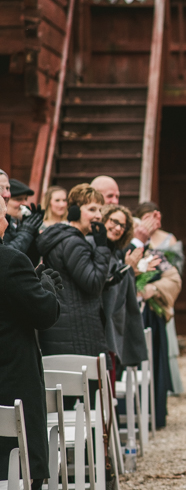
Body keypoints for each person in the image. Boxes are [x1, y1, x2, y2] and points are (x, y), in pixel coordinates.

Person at [0, 197, 62, 490]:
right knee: (18, 469)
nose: (8, 224)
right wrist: (45, 288)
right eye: (4, 217)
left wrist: (29, 284)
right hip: (11, 382)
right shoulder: (10, 260)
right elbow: (44, 314)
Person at [36, 184, 112, 358]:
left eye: (100, 210)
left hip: (66, 326)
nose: (98, 216)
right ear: (75, 211)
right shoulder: (73, 243)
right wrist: (102, 248)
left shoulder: (66, 238)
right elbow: (93, 284)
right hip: (76, 331)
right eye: (92, 209)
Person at [133, 201, 185, 396]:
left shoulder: (168, 240)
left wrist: (156, 288)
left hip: (160, 295)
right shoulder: (136, 240)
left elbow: (176, 270)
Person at [98, 204, 148, 376]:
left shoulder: (114, 252)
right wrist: (126, 269)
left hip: (109, 326)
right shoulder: (96, 247)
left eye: (122, 226)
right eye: (114, 222)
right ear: (104, 219)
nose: (117, 228)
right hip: (99, 328)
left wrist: (128, 270)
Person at [4, 179, 44, 263]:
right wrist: (26, 232)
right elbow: (6, 258)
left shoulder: (15, 224)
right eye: (18, 199)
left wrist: (33, 234)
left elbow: (31, 261)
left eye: (26, 199)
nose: (25, 203)